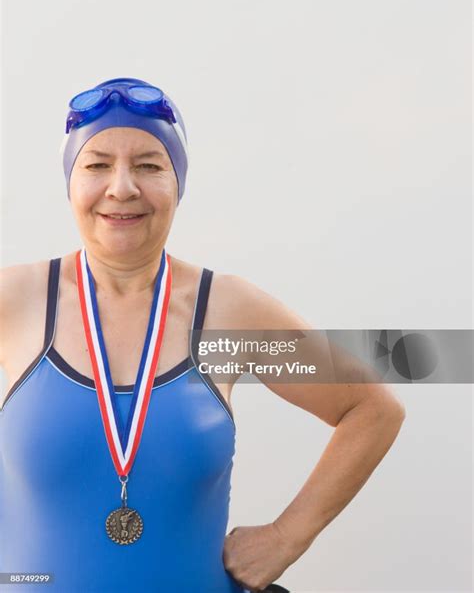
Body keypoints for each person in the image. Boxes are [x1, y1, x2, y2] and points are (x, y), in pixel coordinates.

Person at [0, 77, 406, 593]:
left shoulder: (228, 314)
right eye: (97, 164)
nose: (122, 187)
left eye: (149, 165)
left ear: (178, 182)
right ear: (70, 182)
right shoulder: (14, 300)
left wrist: (287, 537)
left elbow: (371, 408)